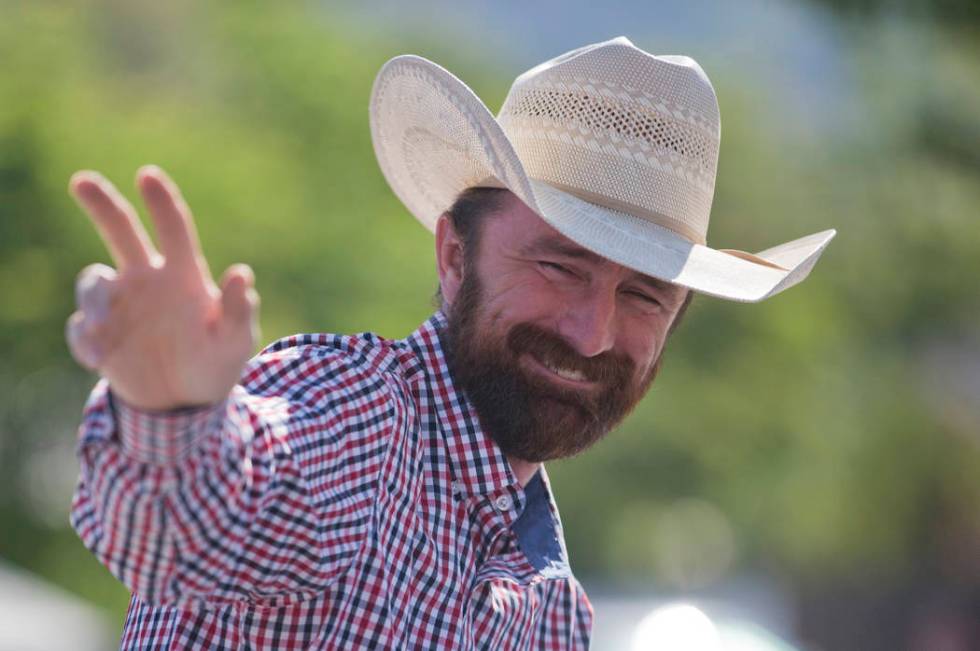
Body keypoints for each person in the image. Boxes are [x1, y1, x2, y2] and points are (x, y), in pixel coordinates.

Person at [66, 36, 835, 649]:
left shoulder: (553, 612)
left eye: (643, 295)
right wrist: (171, 413)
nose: (591, 331)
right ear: (454, 255)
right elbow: (187, 527)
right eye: (559, 265)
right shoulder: (360, 416)